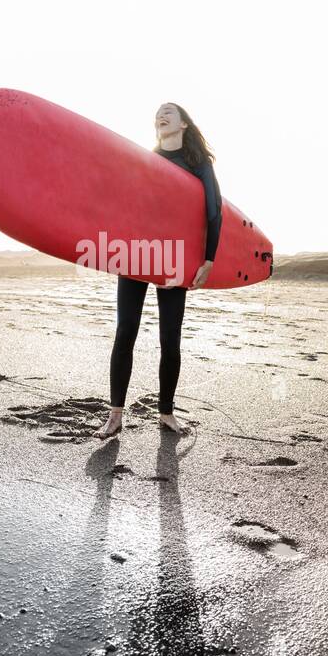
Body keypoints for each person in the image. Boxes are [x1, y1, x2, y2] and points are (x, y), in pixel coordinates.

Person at [94, 102, 221, 439]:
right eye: (157, 113)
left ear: (183, 124)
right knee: (125, 333)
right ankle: (115, 415)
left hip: (173, 259)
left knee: (170, 340)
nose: (161, 115)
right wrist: (115, 251)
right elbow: (126, 206)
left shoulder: (197, 164)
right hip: (137, 254)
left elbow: (214, 212)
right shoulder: (146, 159)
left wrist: (208, 260)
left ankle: (166, 413)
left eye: (169, 112)